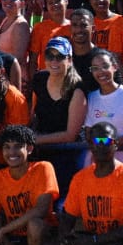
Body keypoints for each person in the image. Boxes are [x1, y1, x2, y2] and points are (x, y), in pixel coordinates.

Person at [29, 36, 88, 185]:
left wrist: (35, 139)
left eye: (60, 57)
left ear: (69, 60)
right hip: (42, 152)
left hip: (69, 154)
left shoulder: (77, 88)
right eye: (50, 56)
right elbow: (33, 114)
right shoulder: (39, 79)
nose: (54, 61)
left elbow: (70, 135)